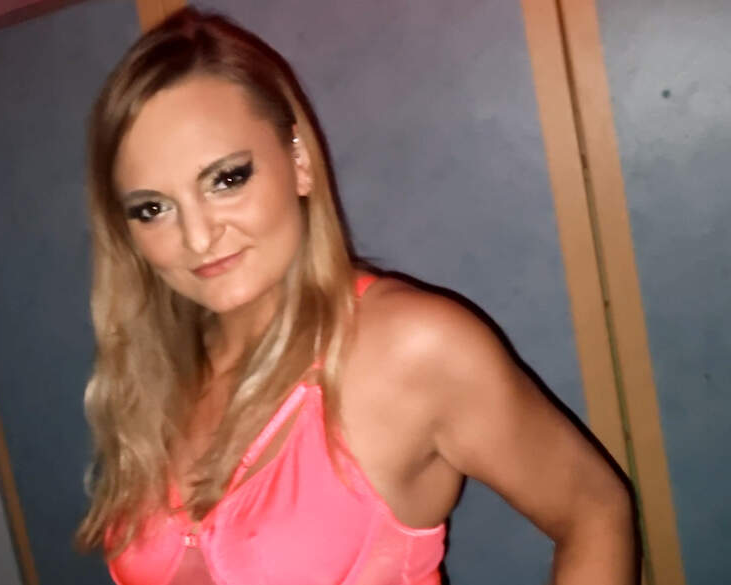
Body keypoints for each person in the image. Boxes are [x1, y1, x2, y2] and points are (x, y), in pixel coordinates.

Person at [76, 7, 635, 585]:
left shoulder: (410, 348)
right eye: (153, 209)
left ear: (298, 161)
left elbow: (595, 510)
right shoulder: (157, 380)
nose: (197, 237)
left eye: (227, 179)